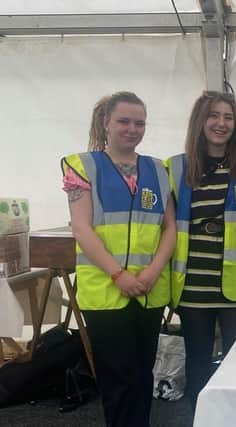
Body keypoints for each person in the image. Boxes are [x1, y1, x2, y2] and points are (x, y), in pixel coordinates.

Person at [61, 92, 176, 426]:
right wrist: (117, 275)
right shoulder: (82, 166)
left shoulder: (158, 168)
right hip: (106, 292)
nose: (132, 129)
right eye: (124, 121)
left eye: (139, 123)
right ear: (106, 123)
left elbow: (169, 228)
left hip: (149, 291)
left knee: (143, 375)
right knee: (117, 380)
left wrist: (153, 271)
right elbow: (82, 229)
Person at [165, 91, 236, 408]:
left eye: (228, 117)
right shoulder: (174, 168)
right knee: (198, 364)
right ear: (199, 122)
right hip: (193, 286)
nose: (221, 123)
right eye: (213, 116)